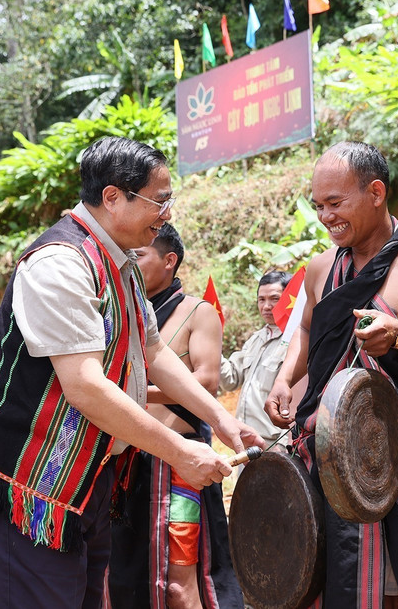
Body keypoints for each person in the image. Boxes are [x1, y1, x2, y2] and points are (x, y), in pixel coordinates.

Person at [0, 136, 262, 609]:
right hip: (33, 486)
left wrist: (222, 421)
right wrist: (179, 450)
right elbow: (85, 386)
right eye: (160, 200)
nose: (168, 213)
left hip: (86, 480)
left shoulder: (120, 262)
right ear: (113, 197)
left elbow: (152, 350)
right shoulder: (61, 261)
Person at [265, 141, 398, 608]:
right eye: (318, 205)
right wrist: (284, 379)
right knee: (317, 581)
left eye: (336, 203)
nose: (325, 217)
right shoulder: (321, 268)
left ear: (376, 191)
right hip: (316, 452)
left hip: (384, 459)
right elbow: (304, 328)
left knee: (394, 586)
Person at [107, 222, 241, 609]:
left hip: (182, 465)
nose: (130, 262)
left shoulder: (198, 312)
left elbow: (205, 382)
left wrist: (121, 389)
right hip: (127, 460)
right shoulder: (123, 311)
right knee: (121, 572)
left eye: (140, 255)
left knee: (180, 583)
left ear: (169, 261)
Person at [219, 270, 292, 449]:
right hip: (247, 440)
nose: (266, 306)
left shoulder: (295, 342)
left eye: (274, 298)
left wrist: (286, 441)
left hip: (276, 443)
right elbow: (230, 380)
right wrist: (211, 348)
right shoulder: (255, 339)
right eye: (261, 299)